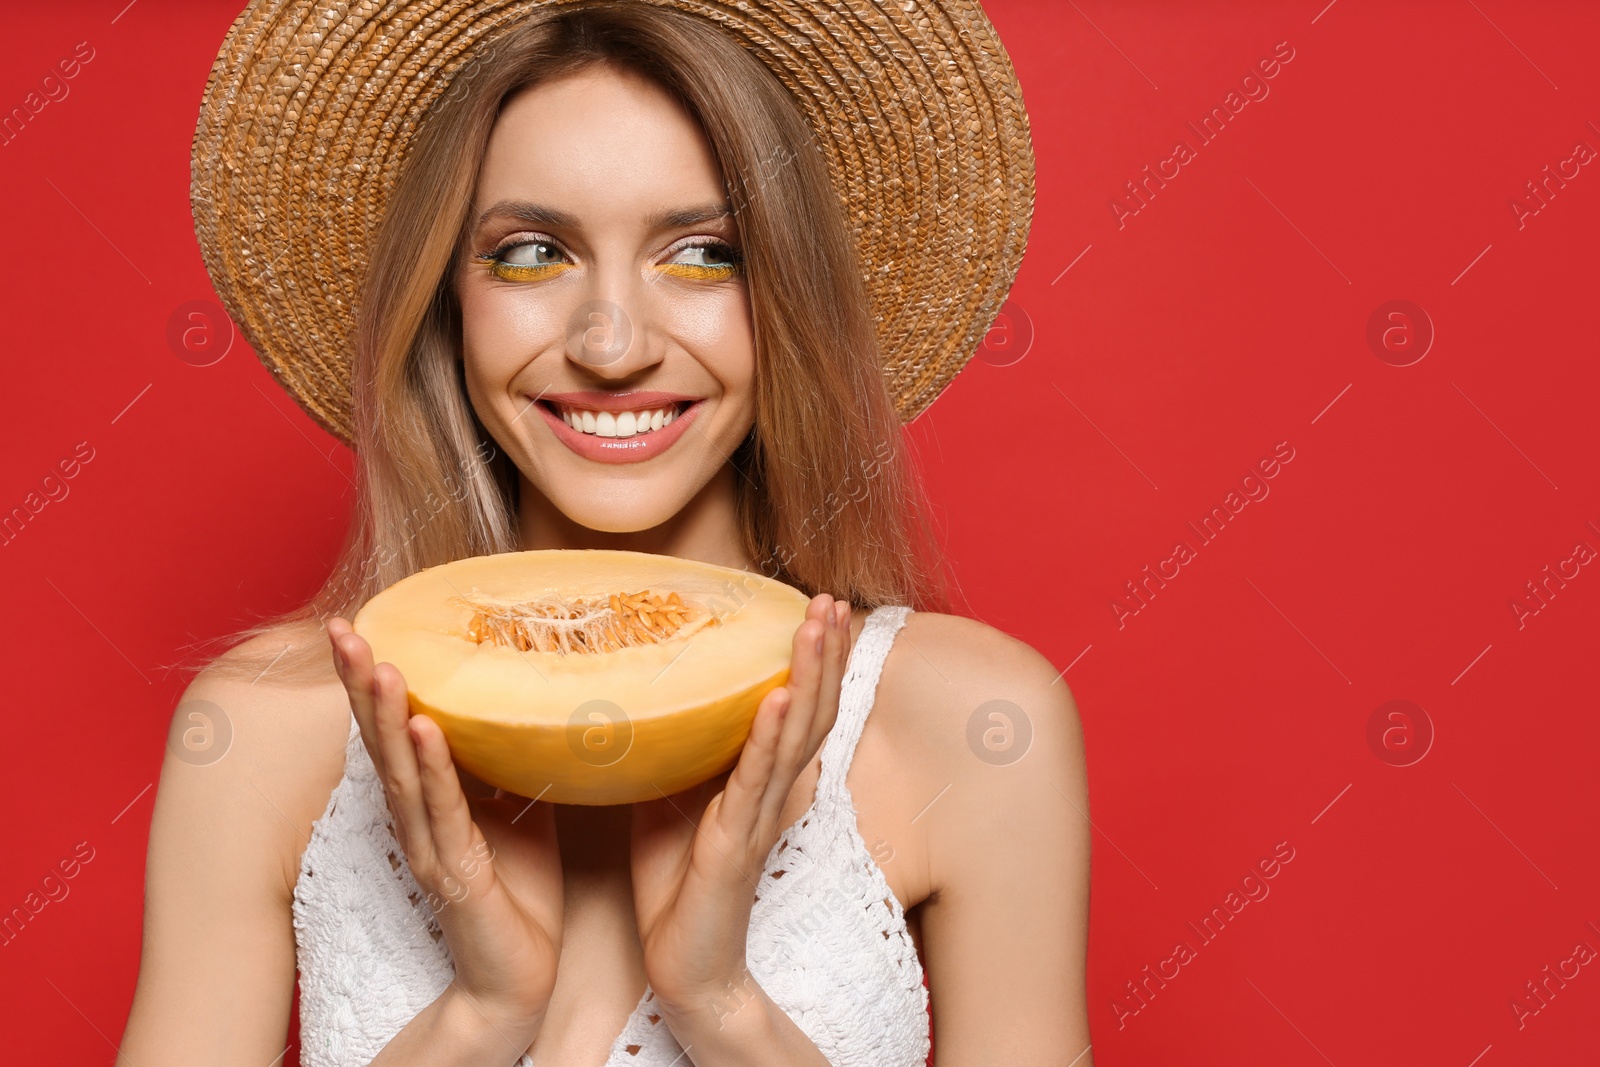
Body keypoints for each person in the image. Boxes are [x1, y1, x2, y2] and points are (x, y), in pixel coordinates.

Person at [121, 3, 1090, 1064]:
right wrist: (479, 1015)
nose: (611, 343)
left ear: (787, 297)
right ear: (447, 300)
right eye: (533, 253)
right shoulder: (262, 734)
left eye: (705, 252)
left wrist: (722, 1004)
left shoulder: (974, 726)